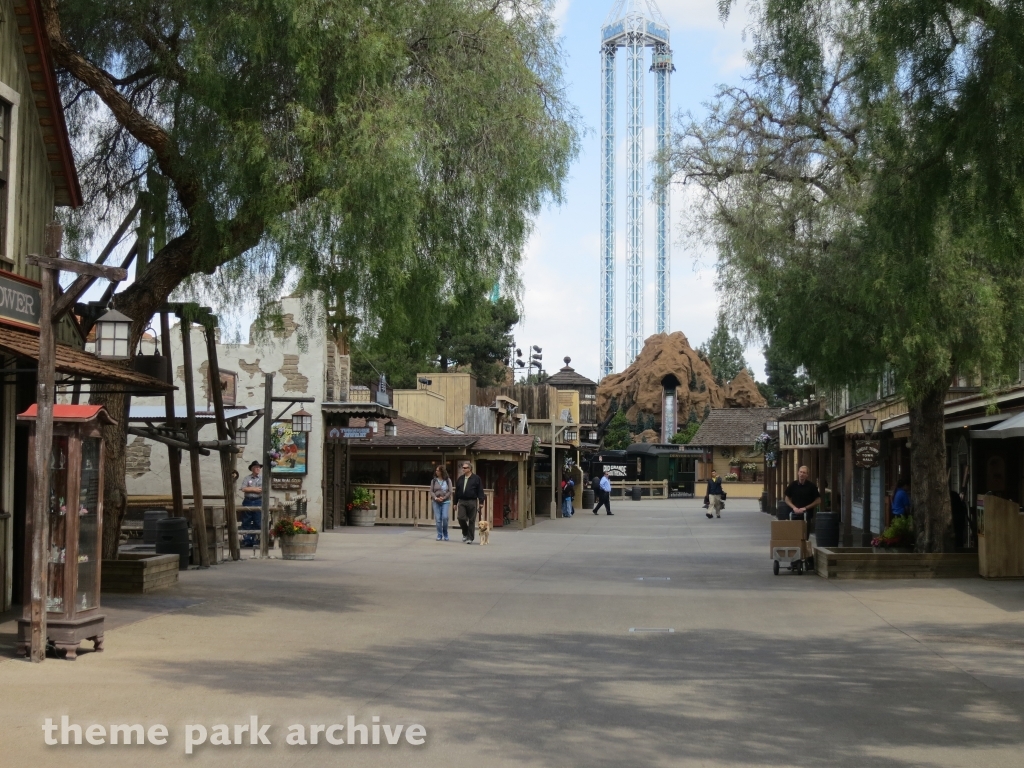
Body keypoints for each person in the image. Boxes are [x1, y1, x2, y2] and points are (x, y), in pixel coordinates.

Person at [454, 461, 486, 544]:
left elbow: (480, 490)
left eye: (465, 468)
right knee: (461, 518)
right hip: (462, 501)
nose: (463, 469)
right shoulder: (460, 479)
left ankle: (470, 538)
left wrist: (481, 502)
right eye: (462, 468)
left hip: (472, 501)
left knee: (472, 520)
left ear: (470, 469)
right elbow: (456, 491)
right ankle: (465, 533)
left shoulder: (476, 478)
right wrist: (455, 503)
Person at [240, 460, 263, 548]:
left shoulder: (262, 478)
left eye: (259, 467)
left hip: (258, 500)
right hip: (248, 500)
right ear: (252, 469)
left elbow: (261, 489)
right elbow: (243, 488)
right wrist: (254, 489)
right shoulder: (247, 478)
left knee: (257, 521)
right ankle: (247, 540)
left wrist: (249, 488)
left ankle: (256, 540)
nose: (258, 469)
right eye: (256, 467)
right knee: (246, 521)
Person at [431, 465, 452, 541]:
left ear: (442, 472)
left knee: (445, 517)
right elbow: (431, 491)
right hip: (436, 501)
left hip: (445, 501)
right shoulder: (434, 480)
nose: (436, 472)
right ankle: (439, 534)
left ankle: (445, 533)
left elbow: (450, 491)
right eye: (436, 470)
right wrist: (436, 498)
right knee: (438, 519)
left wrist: (444, 497)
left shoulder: (447, 480)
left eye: (438, 470)